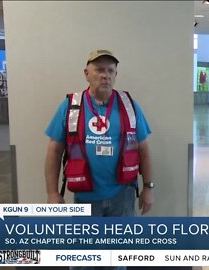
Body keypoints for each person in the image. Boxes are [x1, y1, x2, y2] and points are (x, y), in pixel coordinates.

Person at [44, 50, 154, 270]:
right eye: (99, 70)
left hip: (122, 197)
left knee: (117, 262)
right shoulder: (70, 106)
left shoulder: (129, 105)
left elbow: (144, 150)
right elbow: (54, 152)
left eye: (110, 70)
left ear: (116, 75)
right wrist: (53, 194)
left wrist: (149, 187)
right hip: (85, 199)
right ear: (86, 73)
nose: (106, 75)